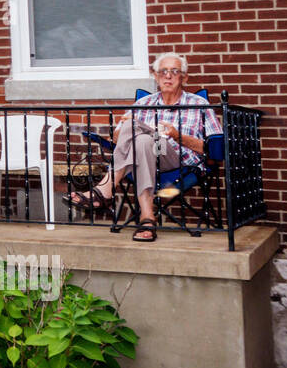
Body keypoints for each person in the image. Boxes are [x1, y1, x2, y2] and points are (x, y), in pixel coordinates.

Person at [67, 52, 221, 242]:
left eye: (175, 71)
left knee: (140, 133)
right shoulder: (143, 103)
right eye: (163, 71)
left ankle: (105, 189)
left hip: (178, 162)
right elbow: (117, 140)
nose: (168, 75)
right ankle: (147, 218)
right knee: (142, 140)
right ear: (155, 76)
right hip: (143, 156)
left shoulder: (199, 104)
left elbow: (214, 148)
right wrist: (124, 126)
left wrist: (176, 136)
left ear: (184, 77)